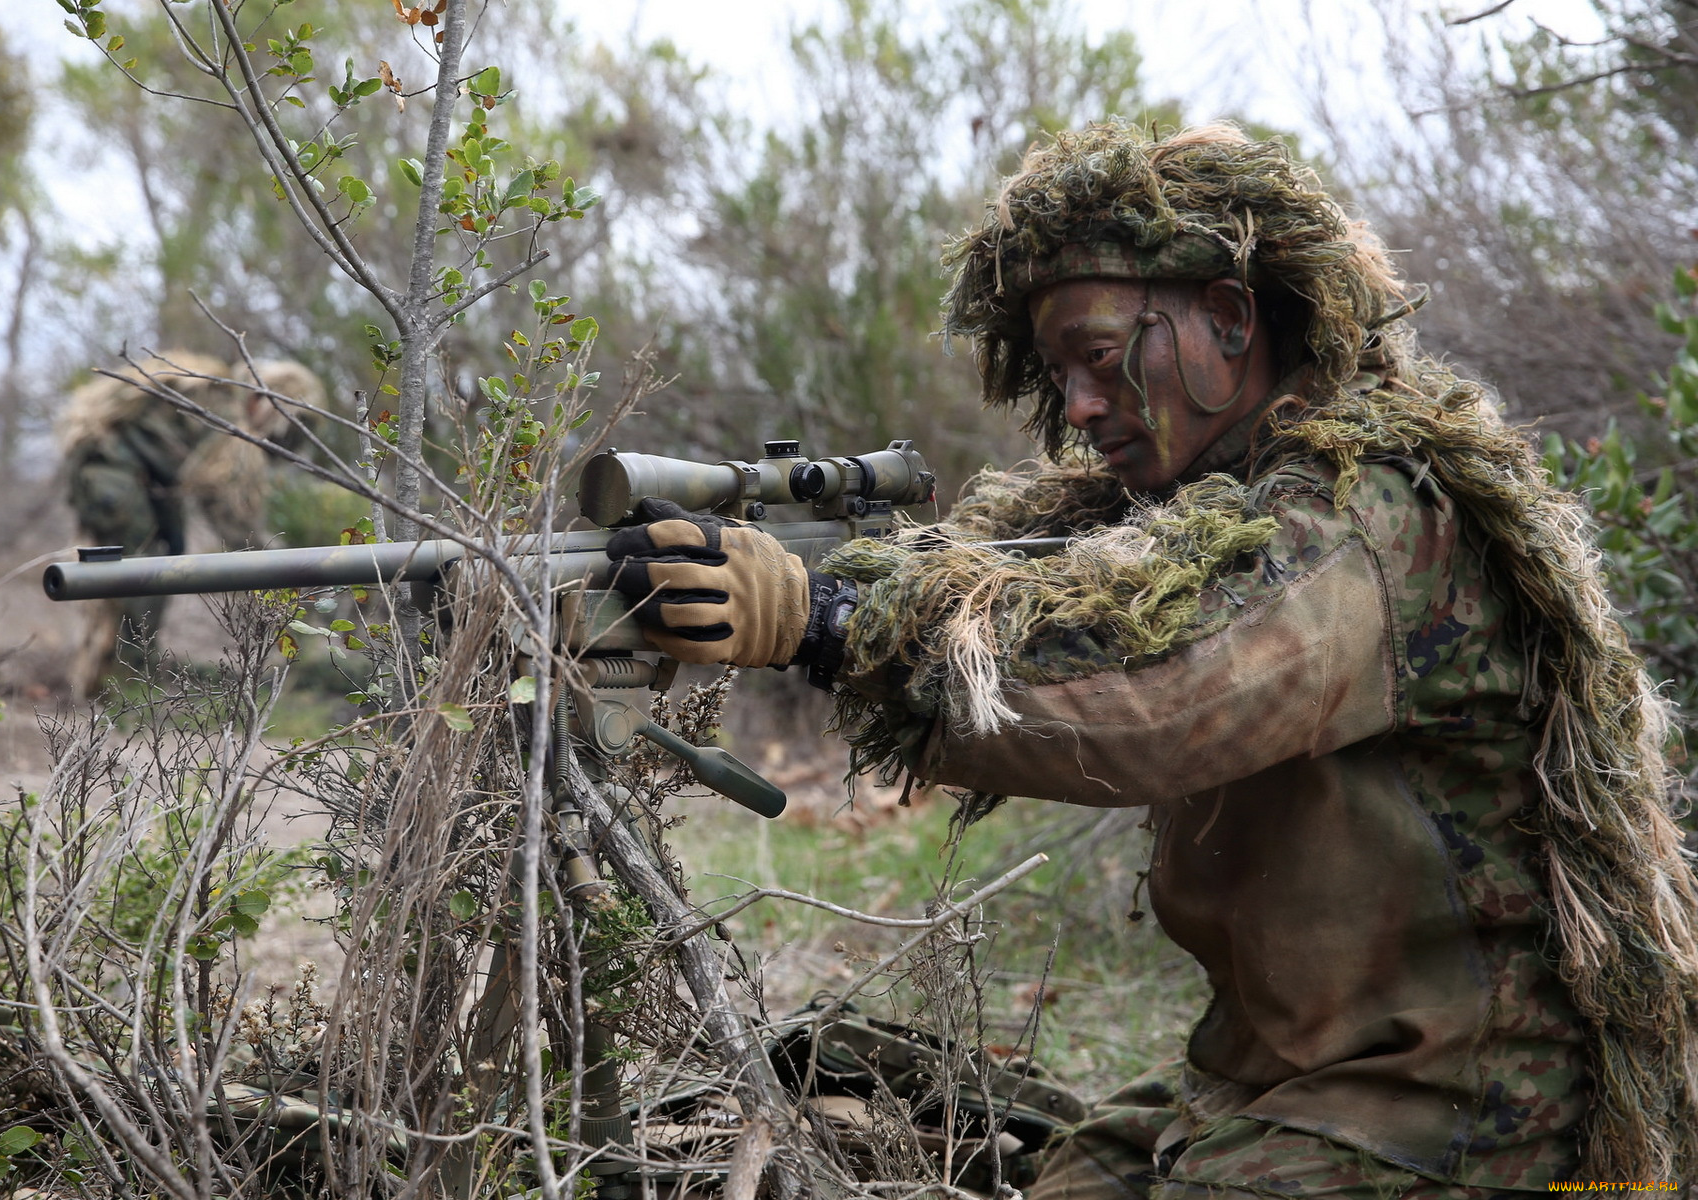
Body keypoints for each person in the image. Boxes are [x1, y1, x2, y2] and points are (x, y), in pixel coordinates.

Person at [606, 123, 1698, 1193]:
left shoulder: (1365, 514)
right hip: (1276, 1077)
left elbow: (1162, 700)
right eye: (1058, 373)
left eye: (1096, 358)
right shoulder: (1190, 512)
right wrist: (863, 585)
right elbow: (1034, 603)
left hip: (1463, 1112)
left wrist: (829, 621)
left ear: (1229, 318)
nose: (1078, 408)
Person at [60, 351, 326, 698]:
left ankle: (118, 681)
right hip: (110, 467)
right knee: (140, 569)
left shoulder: (215, 396)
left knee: (161, 560)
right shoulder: (225, 413)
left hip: (122, 467)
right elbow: (234, 521)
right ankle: (119, 689)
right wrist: (286, 570)